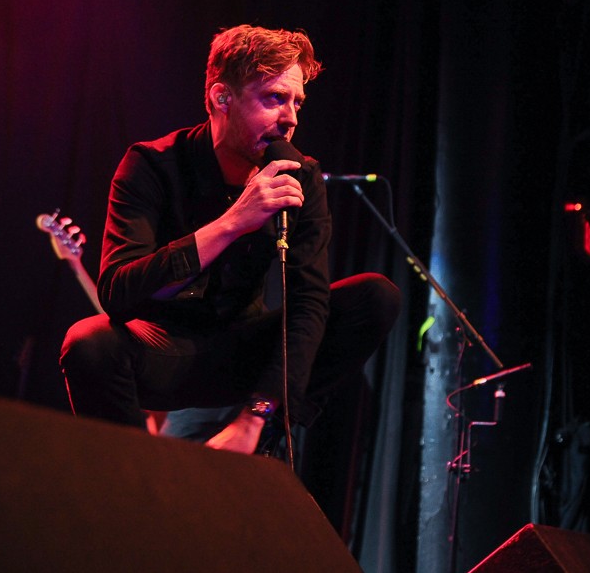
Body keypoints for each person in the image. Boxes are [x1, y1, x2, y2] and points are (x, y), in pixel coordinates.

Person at [59, 24, 400, 455]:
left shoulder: (300, 175)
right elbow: (117, 291)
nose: (291, 118)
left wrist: (257, 414)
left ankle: (262, 439)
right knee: (88, 343)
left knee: (375, 296)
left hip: (242, 352)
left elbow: (309, 302)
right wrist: (232, 222)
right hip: (165, 350)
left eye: (297, 102)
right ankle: (131, 474)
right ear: (222, 98)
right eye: (274, 98)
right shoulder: (152, 164)